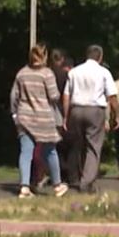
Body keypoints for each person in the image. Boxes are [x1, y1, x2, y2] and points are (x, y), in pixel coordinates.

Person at [10, 43, 68, 199]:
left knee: (26, 153)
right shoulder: (47, 74)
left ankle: (24, 186)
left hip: (24, 117)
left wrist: (15, 115)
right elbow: (54, 96)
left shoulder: (21, 73)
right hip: (43, 118)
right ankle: (57, 185)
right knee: (50, 151)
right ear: (45, 56)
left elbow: (14, 96)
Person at [62, 45, 118, 193]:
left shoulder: (74, 72)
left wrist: (66, 116)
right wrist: (115, 115)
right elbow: (112, 96)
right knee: (93, 147)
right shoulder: (104, 72)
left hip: (76, 109)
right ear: (100, 57)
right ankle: (86, 182)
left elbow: (66, 95)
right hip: (95, 110)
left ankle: (75, 175)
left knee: (78, 145)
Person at [50, 50, 76, 185]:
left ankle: (59, 173)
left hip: (51, 112)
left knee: (56, 145)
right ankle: (71, 175)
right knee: (71, 145)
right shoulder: (67, 76)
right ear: (62, 59)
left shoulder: (49, 74)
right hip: (67, 111)